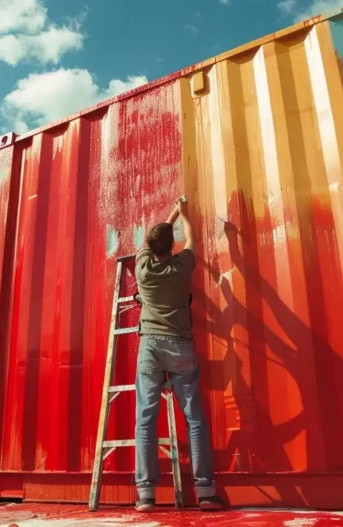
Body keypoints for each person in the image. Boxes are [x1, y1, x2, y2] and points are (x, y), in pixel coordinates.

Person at [133, 197, 223, 513]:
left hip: (151, 348)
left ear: (150, 246)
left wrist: (169, 215)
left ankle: (146, 495)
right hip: (181, 345)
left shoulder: (142, 267)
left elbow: (154, 239)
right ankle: (207, 493)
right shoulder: (182, 265)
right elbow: (192, 239)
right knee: (194, 418)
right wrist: (182, 213)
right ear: (172, 247)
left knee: (146, 418)